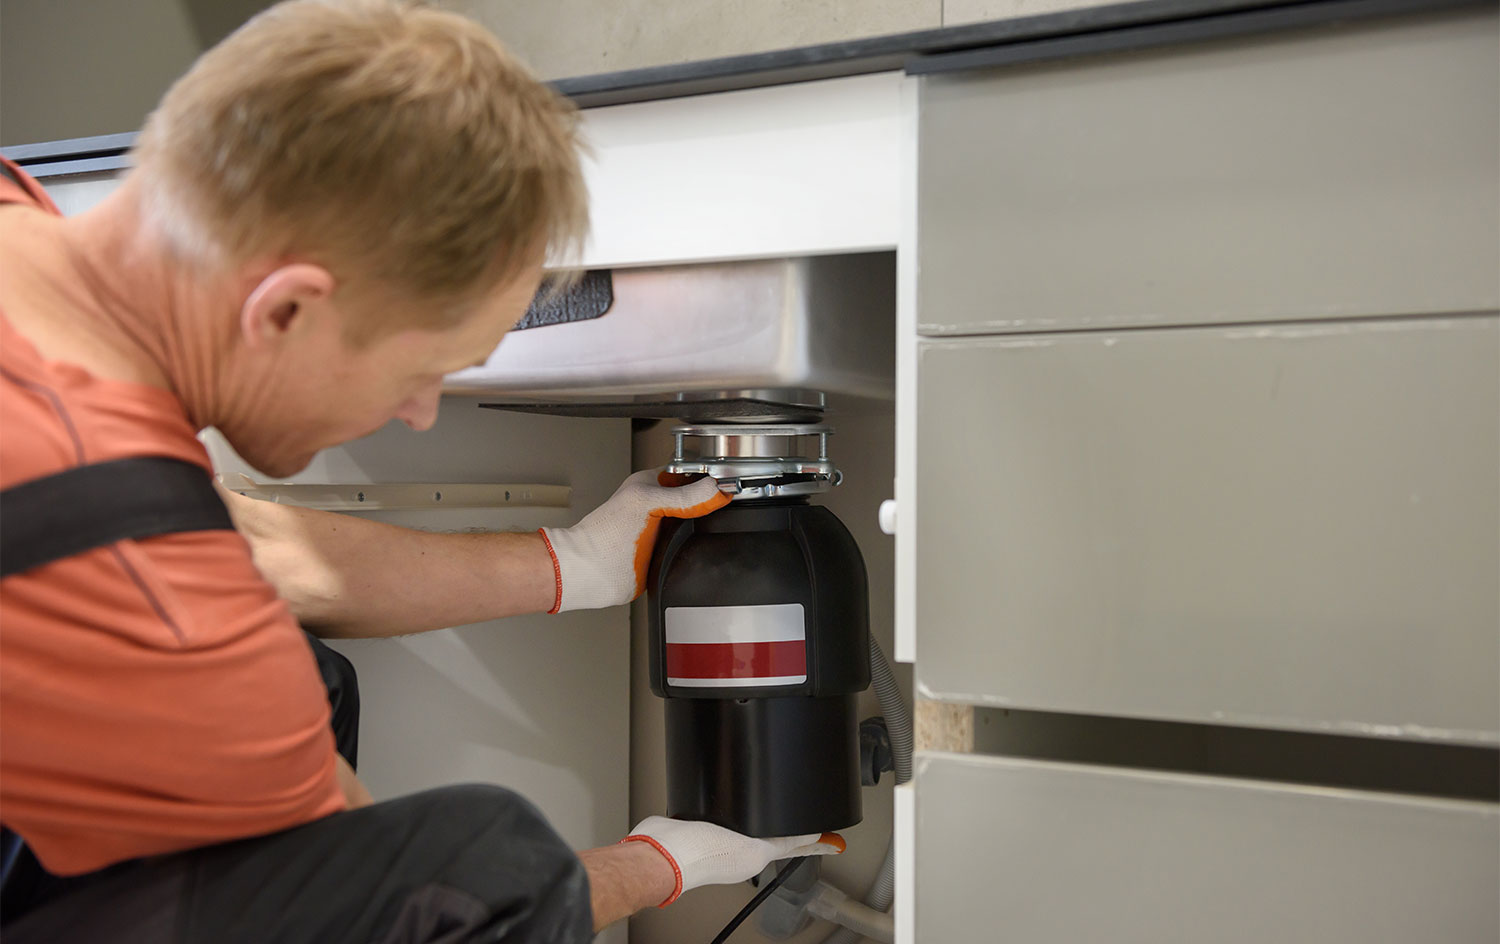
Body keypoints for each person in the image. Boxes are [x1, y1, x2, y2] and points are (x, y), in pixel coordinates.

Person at [0, 2, 842, 941]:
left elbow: (228, 541)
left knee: (308, 684)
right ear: (285, 311)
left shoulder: (23, 228)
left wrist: (571, 563)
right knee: (484, 867)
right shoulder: (124, 551)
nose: (423, 412)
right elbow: (397, 914)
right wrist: (655, 869)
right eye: (420, 372)